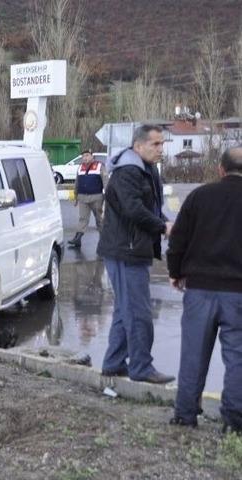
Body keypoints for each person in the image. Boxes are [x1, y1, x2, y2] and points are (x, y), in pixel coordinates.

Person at [167, 147, 242, 433]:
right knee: (238, 359)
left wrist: (175, 272)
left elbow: (178, 240)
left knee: (193, 355)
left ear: (220, 170)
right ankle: (234, 423)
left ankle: (185, 415)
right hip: (239, 294)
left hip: (199, 289)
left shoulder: (199, 196)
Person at [96, 124, 175, 384]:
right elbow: (133, 210)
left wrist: (163, 221)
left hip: (131, 249)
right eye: (156, 144)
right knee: (138, 312)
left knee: (124, 311)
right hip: (125, 251)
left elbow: (149, 207)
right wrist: (162, 226)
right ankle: (141, 367)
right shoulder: (128, 171)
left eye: (162, 144)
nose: (161, 149)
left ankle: (113, 364)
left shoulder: (145, 169)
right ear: (138, 146)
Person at [68, 149, 107, 248]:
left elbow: (105, 181)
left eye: (87, 155)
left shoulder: (99, 166)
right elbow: (77, 182)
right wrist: (75, 196)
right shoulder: (80, 168)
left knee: (100, 219)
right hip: (82, 197)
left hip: (96, 197)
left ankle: (104, 240)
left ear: (92, 156)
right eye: (83, 156)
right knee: (83, 218)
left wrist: (107, 195)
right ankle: (77, 239)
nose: (85, 158)